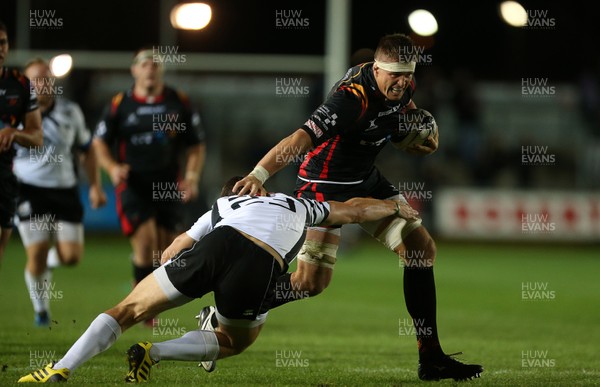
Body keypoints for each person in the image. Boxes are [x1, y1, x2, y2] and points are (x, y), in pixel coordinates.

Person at [212, 33, 483, 381]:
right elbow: (298, 139)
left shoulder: (405, 86)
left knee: (421, 250)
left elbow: (407, 116)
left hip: (367, 180)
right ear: (377, 67)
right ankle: (228, 306)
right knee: (310, 283)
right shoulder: (350, 99)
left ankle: (430, 356)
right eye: (395, 74)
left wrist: (418, 134)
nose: (402, 82)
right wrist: (259, 173)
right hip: (323, 188)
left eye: (408, 75)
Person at [17, 176, 419, 383]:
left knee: (126, 309)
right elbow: (351, 211)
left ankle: (61, 367)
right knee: (233, 341)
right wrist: (393, 206)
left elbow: (176, 248)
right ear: (259, 191)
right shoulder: (296, 203)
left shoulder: (222, 206)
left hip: (215, 245)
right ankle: (153, 353)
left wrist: (169, 278)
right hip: (259, 263)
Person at [92, 48, 206, 316]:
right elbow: (98, 142)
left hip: (169, 184)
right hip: (134, 184)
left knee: (166, 249)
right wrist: (111, 167)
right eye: (144, 64)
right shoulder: (121, 104)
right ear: (134, 70)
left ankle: (143, 294)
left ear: (162, 70)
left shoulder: (179, 102)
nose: (150, 68)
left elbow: (197, 145)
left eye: (155, 63)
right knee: (145, 243)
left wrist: (191, 177)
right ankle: (140, 310)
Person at [12, 58, 107, 326]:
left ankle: (49, 263)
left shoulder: (70, 111)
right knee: (37, 251)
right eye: (36, 79)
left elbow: (87, 149)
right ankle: (41, 311)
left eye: (47, 78)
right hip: (29, 190)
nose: (42, 84)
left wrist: (96, 186)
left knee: (71, 257)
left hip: (65, 190)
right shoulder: (14, 113)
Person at [0, 20, 43, 267]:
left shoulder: (21, 84)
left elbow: (37, 138)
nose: (0, 48)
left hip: (3, 176)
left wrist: (14, 134)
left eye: (3, 42)